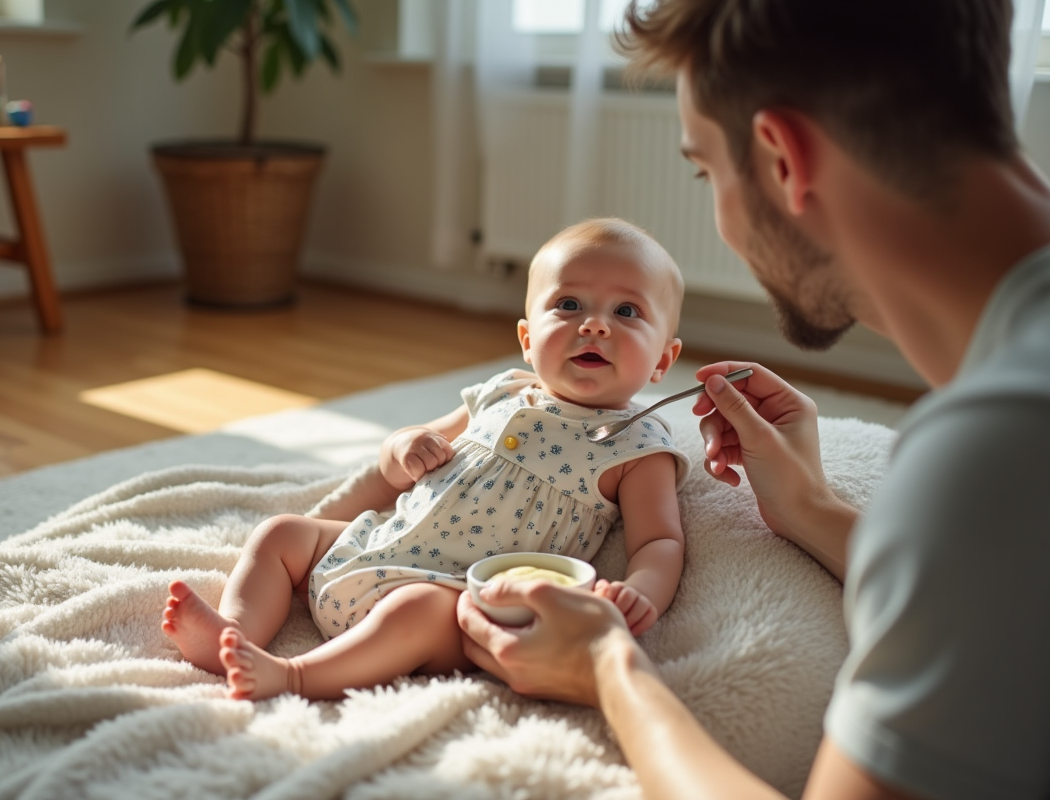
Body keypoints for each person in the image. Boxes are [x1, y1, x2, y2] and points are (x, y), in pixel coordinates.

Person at [457, 2, 1050, 798]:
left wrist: (609, 670)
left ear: (781, 157)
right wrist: (808, 507)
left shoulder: (992, 449)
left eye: (705, 170)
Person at [161, 218, 694, 701]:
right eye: (569, 305)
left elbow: (659, 540)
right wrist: (403, 447)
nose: (594, 325)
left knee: (412, 611)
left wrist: (639, 591)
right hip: (373, 544)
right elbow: (405, 456)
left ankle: (294, 675)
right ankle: (232, 633)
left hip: (454, 601)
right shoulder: (502, 391)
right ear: (528, 341)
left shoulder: (637, 445)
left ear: (662, 362)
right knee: (281, 533)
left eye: (626, 311)